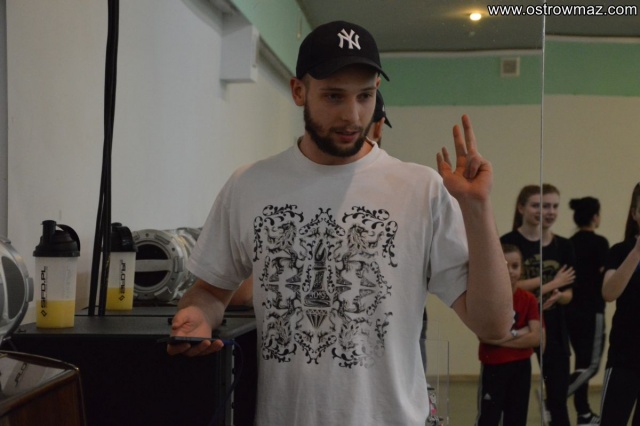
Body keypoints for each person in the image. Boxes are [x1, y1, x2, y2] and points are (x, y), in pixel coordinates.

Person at [167, 20, 512, 426]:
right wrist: (199, 316)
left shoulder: (421, 188)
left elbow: (494, 325)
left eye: (365, 96)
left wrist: (477, 208)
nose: (352, 115)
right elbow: (210, 291)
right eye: (333, 96)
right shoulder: (249, 185)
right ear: (299, 91)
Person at [500, 183, 576, 426]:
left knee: (558, 399)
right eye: (540, 206)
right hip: (517, 324)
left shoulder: (564, 246)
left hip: (553, 326)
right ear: (521, 208)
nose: (548, 212)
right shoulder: (508, 243)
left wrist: (558, 295)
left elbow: (568, 293)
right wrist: (551, 283)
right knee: (513, 400)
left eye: (554, 206)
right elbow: (506, 287)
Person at [475, 243, 542, 426]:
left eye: (515, 266)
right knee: (488, 418)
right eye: (505, 266)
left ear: (522, 269)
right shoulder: (487, 298)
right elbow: (484, 336)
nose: (511, 271)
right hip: (494, 366)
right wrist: (520, 332)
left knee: (516, 418)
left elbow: (536, 338)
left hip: (521, 367)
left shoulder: (528, 299)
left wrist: (499, 338)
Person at [566, 196, 609, 424]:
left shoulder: (569, 242)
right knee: (591, 365)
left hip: (570, 312)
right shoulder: (600, 243)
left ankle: (583, 413)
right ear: (595, 217)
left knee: (582, 363)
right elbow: (604, 275)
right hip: (593, 311)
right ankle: (553, 398)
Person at [600, 183, 640, 425]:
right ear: (635, 213)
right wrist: (636, 252)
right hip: (625, 357)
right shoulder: (620, 251)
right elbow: (609, 293)